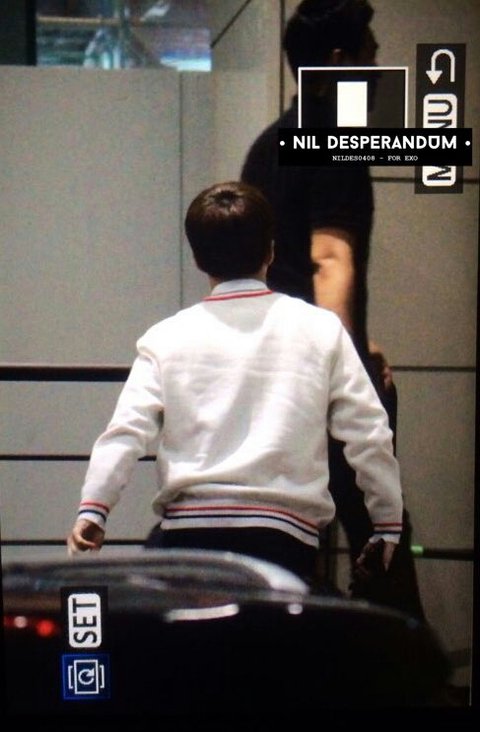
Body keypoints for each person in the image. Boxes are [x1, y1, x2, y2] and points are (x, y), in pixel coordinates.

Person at [67, 181, 403, 588]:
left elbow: (125, 432)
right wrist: (386, 523)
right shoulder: (321, 330)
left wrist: (94, 509)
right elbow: (368, 433)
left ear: (197, 259)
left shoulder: (165, 337)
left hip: (188, 537)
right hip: (287, 540)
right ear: (271, 251)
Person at [240, 0, 425, 618]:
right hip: (320, 377)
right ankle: (399, 665)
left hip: (272, 373)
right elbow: (329, 260)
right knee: (380, 531)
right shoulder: (332, 144)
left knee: (295, 538)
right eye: (371, 56)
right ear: (339, 63)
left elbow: (283, 265)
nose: (377, 69)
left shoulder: (266, 148)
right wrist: (351, 371)